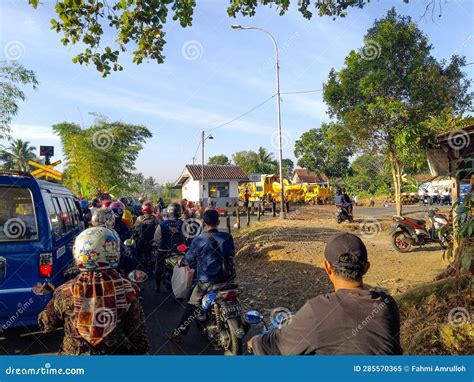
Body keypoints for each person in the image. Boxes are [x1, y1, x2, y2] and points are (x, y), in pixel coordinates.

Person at [248, 233, 402, 355]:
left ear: (327, 267)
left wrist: (255, 341)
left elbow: (279, 346)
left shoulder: (318, 310)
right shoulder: (387, 304)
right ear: (366, 267)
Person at [38, 226, 149, 355]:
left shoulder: (65, 292)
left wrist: (52, 296)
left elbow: (46, 325)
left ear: (79, 252)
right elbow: (139, 335)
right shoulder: (128, 289)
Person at [168, 209, 236, 344]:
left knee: (191, 306)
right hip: (227, 279)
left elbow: (189, 259)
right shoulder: (227, 237)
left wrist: (182, 262)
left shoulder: (199, 240)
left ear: (204, 223)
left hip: (206, 282)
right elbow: (231, 253)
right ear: (218, 222)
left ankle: (178, 333)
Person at [153, 202, 185, 292]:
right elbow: (188, 239)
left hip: (164, 251)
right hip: (179, 252)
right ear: (179, 212)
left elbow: (157, 239)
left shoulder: (162, 224)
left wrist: (160, 245)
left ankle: (157, 286)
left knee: (158, 266)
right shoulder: (184, 224)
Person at [133, 201, 160, 269]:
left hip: (142, 241)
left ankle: (138, 264)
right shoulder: (155, 218)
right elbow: (159, 229)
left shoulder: (140, 218)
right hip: (152, 241)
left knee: (136, 252)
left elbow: (135, 229)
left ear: (142, 209)